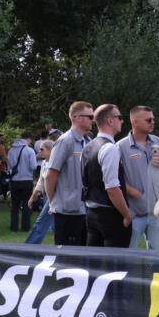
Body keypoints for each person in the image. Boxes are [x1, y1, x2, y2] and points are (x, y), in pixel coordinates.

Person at [82, 104, 133, 247]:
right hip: (111, 215)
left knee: (93, 265)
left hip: (92, 213)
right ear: (110, 121)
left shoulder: (88, 147)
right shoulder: (110, 148)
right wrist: (127, 214)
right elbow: (112, 188)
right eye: (119, 117)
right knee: (118, 265)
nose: (122, 121)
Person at [117, 106, 159, 250]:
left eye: (153, 119)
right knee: (128, 257)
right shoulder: (120, 147)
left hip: (156, 212)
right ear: (135, 122)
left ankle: (152, 273)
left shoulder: (157, 141)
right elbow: (115, 179)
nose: (152, 122)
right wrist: (134, 192)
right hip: (134, 213)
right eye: (148, 119)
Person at [46, 101, 94, 246]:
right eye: (90, 116)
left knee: (83, 258)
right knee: (67, 261)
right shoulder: (65, 141)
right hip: (67, 211)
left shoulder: (89, 141)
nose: (93, 120)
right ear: (77, 117)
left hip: (85, 210)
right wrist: (53, 202)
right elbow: (51, 175)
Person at [24, 138, 56, 244]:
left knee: (42, 221)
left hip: (54, 197)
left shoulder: (56, 164)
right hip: (47, 196)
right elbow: (40, 182)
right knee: (55, 224)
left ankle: (29, 246)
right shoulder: (43, 163)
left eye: (42, 149)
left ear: (50, 150)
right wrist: (32, 197)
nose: (39, 152)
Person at [6, 132, 39, 232]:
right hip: (26, 180)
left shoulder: (11, 150)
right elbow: (33, 166)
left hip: (14, 181)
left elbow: (10, 166)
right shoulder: (29, 150)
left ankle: (14, 227)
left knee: (15, 204)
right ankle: (25, 227)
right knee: (26, 204)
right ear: (28, 139)